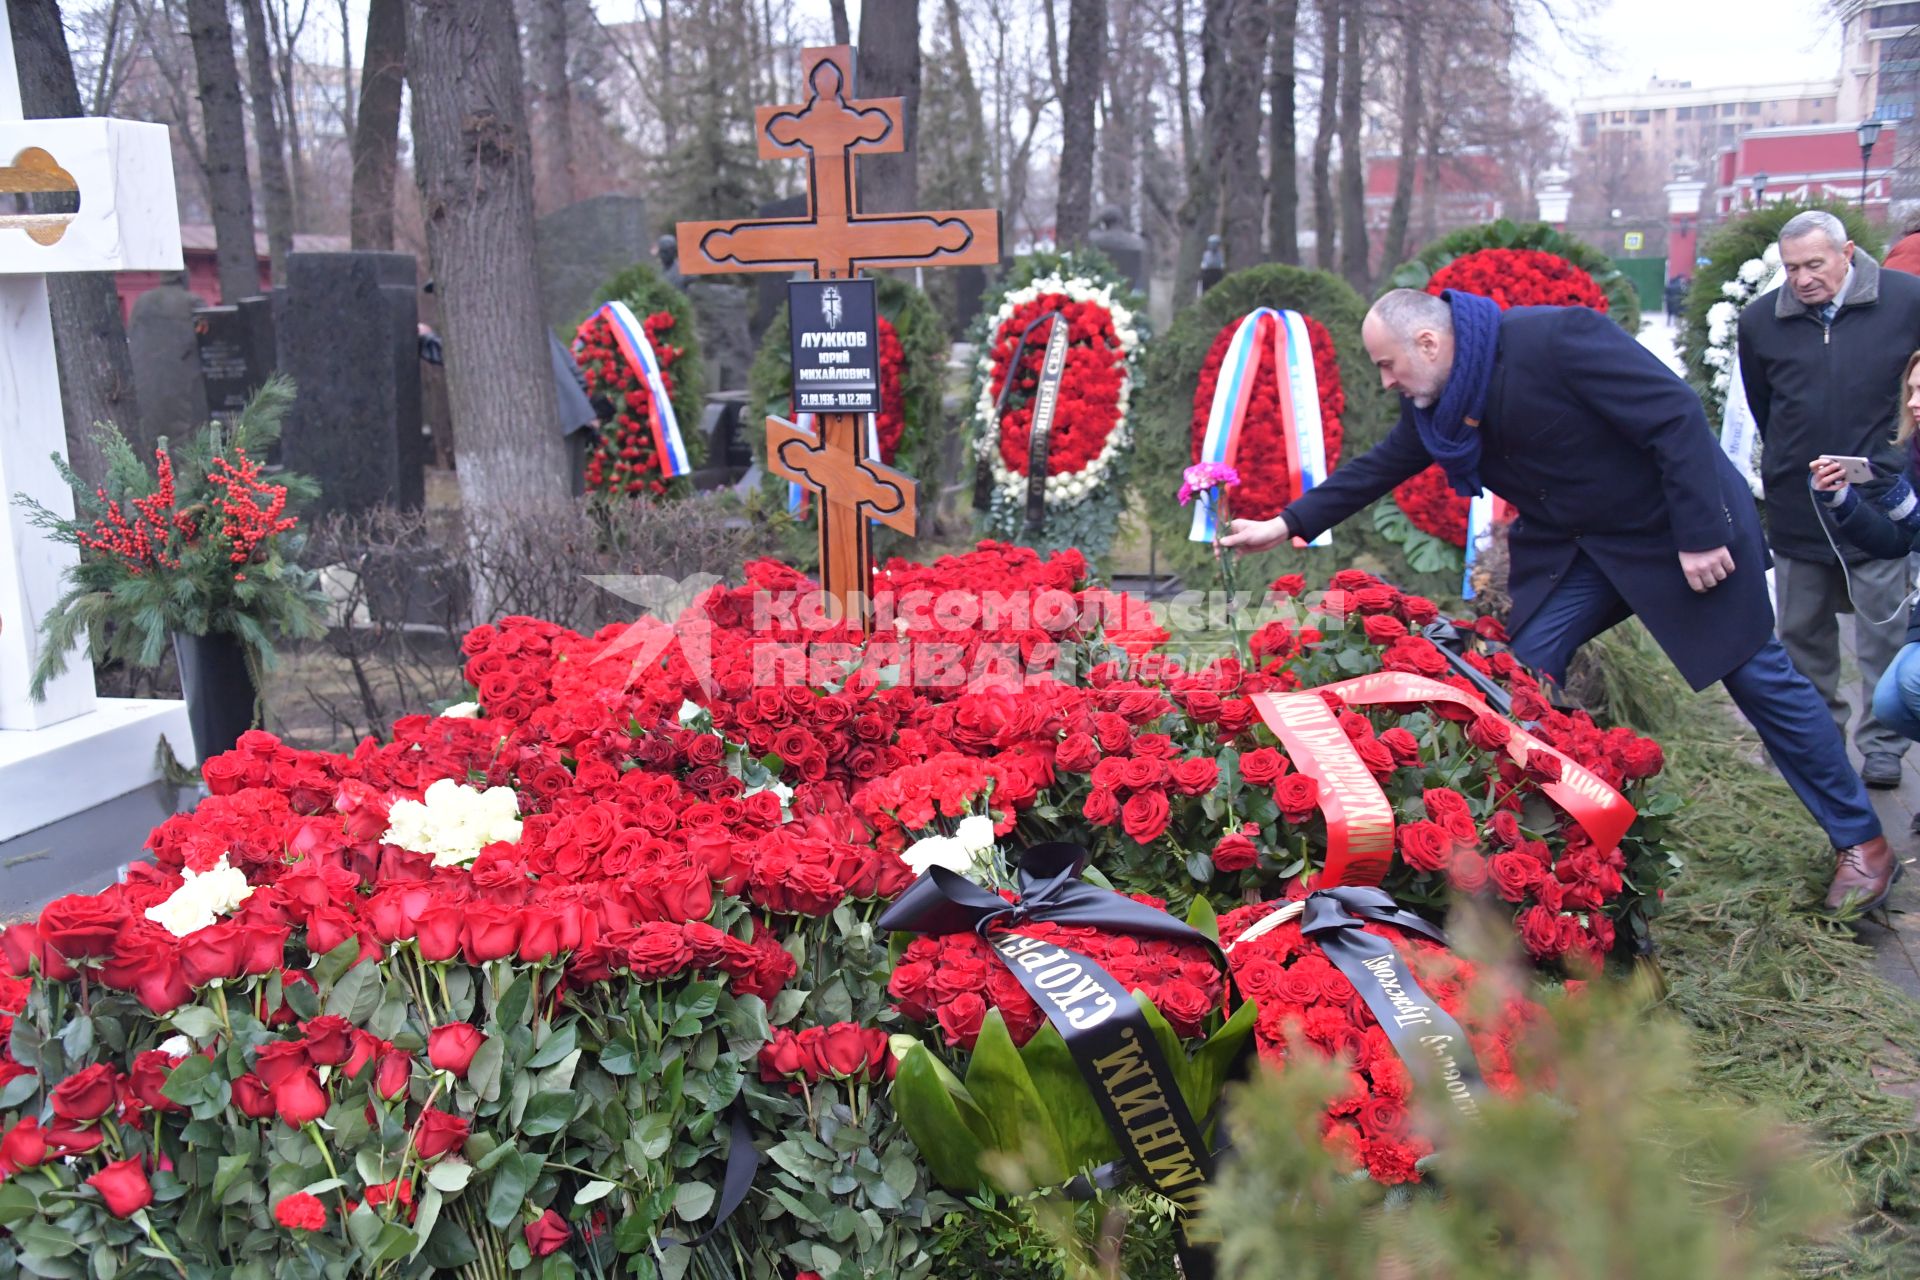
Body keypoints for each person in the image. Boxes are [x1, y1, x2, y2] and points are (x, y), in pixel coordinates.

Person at [1222, 288, 1895, 913]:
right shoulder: (1441, 402)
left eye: (1389, 365)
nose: (1387, 381)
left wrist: (1698, 534)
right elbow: (1387, 461)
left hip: (1681, 530)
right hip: (1586, 549)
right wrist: (1286, 524)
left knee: (1756, 675)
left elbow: (1675, 415)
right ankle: (1540, 848)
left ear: (1429, 343)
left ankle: (1861, 841)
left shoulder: (1558, 339)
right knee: (1521, 677)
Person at [1736, 210, 1920, 791]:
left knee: (1884, 637)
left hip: (1878, 498)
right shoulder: (1761, 321)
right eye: (1791, 268)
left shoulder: (1907, 300)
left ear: (1847, 254)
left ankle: (1884, 747)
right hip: (1799, 505)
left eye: (1815, 264)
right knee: (1802, 639)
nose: (1802, 279)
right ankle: (1817, 745)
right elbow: (1764, 403)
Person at [1810, 349, 1920, 753]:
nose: (1912, 402)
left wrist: (1901, 501)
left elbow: (1912, 523)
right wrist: (1843, 501)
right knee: (1892, 707)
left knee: (1912, 682)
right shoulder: (1916, 452)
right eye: (1910, 391)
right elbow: (1895, 544)